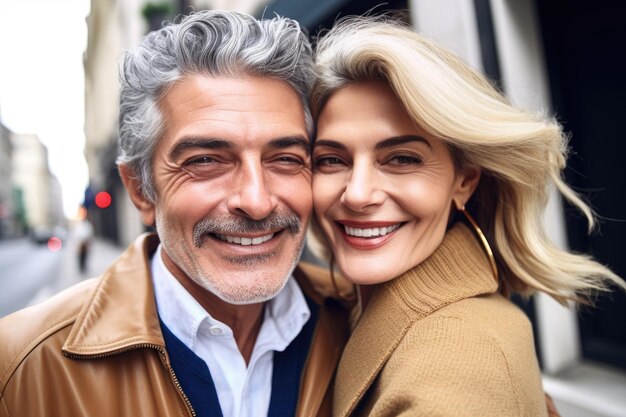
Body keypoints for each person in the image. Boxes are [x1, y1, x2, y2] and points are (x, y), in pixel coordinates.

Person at [0, 10, 351, 417]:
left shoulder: (358, 316)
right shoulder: (22, 364)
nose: (257, 201)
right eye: (205, 161)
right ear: (140, 190)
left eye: (286, 159)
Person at [308, 17, 624, 416]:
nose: (357, 194)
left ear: (464, 182)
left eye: (402, 159)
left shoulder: (459, 363)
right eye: (332, 160)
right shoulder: (355, 301)